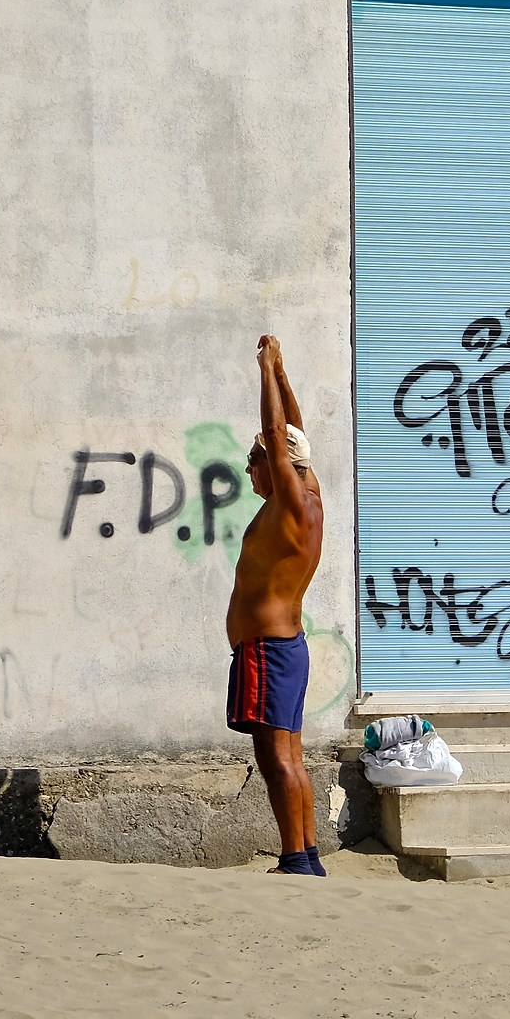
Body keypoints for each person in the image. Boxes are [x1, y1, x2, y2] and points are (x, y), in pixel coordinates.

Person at [226, 334, 328, 876]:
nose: (248, 472)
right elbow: (294, 437)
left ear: (277, 466)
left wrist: (264, 371)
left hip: (268, 650)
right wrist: (285, 375)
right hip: (282, 649)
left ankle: (294, 858)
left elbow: (277, 435)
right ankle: (307, 854)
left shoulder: (292, 503)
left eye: (253, 462)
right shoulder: (308, 494)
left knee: (275, 757)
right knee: (289, 754)